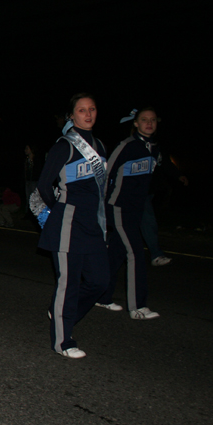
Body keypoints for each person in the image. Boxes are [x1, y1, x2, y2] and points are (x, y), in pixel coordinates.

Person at [37, 93, 109, 359]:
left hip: (92, 225)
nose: (88, 114)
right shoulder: (64, 146)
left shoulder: (100, 145)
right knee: (69, 285)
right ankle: (63, 341)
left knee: (100, 281)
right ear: (71, 116)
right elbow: (44, 185)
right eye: (81, 110)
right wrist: (58, 211)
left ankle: (63, 314)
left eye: (92, 109)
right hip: (68, 223)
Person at [96, 107, 162, 319]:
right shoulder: (126, 146)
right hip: (118, 207)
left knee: (115, 253)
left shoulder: (154, 148)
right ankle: (137, 307)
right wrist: (102, 207)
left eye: (152, 120)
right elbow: (106, 175)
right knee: (136, 253)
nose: (149, 123)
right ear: (135, 123)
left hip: (137, 209)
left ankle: (101, 296)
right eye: (144, 120)